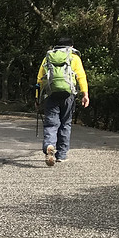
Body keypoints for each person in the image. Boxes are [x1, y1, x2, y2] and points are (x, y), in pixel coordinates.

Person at [37, 37, 89, 166]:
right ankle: (61, 155)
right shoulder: (74, 57)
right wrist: (85, 94)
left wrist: (37, 97)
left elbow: (40, 79)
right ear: (71, 46)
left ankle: (49, 145)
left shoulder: (48, 57)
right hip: (68, 95)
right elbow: (81, 76)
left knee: (51, 124)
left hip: (51, 94)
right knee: (65, 124)